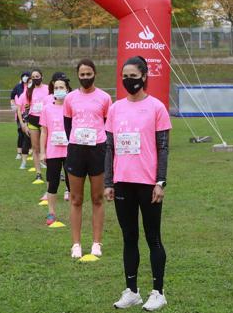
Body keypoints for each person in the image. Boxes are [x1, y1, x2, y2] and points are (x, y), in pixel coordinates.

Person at [104, 56, 171, 311]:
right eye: (125, 76)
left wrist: (160, 182)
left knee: (153, 237)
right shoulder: (115, 108)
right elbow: (109, 147)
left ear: (144, 77)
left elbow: (163, 148)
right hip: (123, 183)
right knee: (129, 238)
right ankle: (132, 291)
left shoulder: (156, 108)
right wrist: (109, 182)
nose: (128, 80)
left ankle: (158, 292)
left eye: (133, 76)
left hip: (148, 184)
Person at [63, 58, 112, 259]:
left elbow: (109, 126)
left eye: (88, 74)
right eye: (82, 74)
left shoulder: (105, 98)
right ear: (78, 76)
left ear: (95, 74)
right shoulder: (70, 98)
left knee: (97, 199)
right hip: (76, 150)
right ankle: (76, 244)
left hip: (98, 150)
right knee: (76, 199)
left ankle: (96, 243)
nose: (85, 77)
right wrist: (76, 141)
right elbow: (67, 125)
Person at [39, 74, 72, 226]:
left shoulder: (71, 107)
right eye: (56, 88)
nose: (59, 90)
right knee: (53, 183)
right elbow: (44, 132)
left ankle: (74, 212)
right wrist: (42, 151)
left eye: (62, 87)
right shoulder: (47, 109)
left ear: (67, 89)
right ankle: (51, 213)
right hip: (53, 152)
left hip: (71, 151)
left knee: (72, 184)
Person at [16, 69, 47, 185]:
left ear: (42, 77)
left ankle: (54, 171)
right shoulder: (28, 91)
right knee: (35, 148)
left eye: (37, 76)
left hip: (45, 121)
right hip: (33, 120)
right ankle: (38, 173)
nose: (35, 78)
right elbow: (22, 108)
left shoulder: (48, 89)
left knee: (47, 146)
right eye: (33, 77)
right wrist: (23, 124)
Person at [11, 71, 30, 160]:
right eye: (24, 76)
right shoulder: (18, 87)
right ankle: (19, 152)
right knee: (21, 133)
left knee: (30, 132)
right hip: (20, 112)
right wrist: (13, 105)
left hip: (30, 113)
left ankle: (29, 149)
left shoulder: (31, 87)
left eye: (27, 76)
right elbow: (12, 96)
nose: (25, 77)